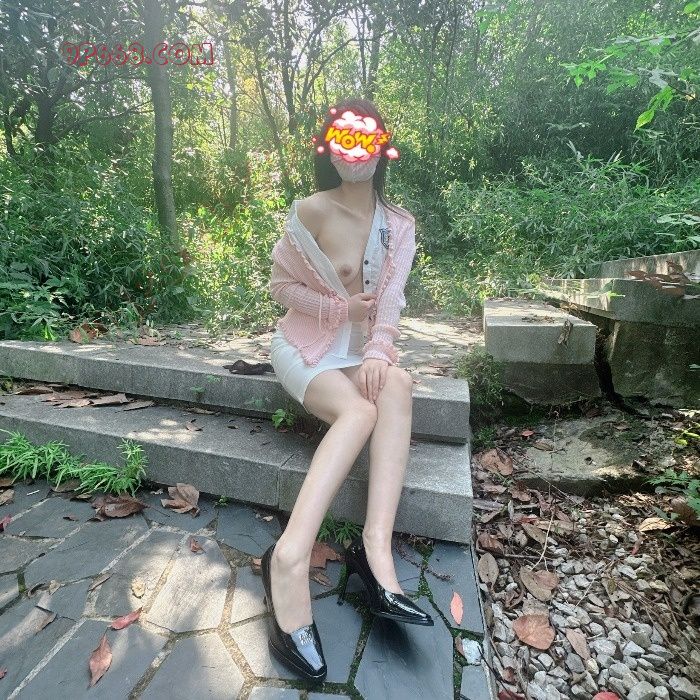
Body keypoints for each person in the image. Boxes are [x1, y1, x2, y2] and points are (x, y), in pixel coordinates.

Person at [262, 97, 433, 683]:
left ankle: (375, 550)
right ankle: (289, 558)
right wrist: (339, 309)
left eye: (365, 140)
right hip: (304, 346)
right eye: (344, 139)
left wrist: (380, 349)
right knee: (359, 414)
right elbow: (281, 287)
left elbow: (391, 302)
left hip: (357, 354)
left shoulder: (399, 225)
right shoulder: (311, 209)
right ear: (329, 148)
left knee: (398, 384)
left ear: (383, 148)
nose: (354, 153)